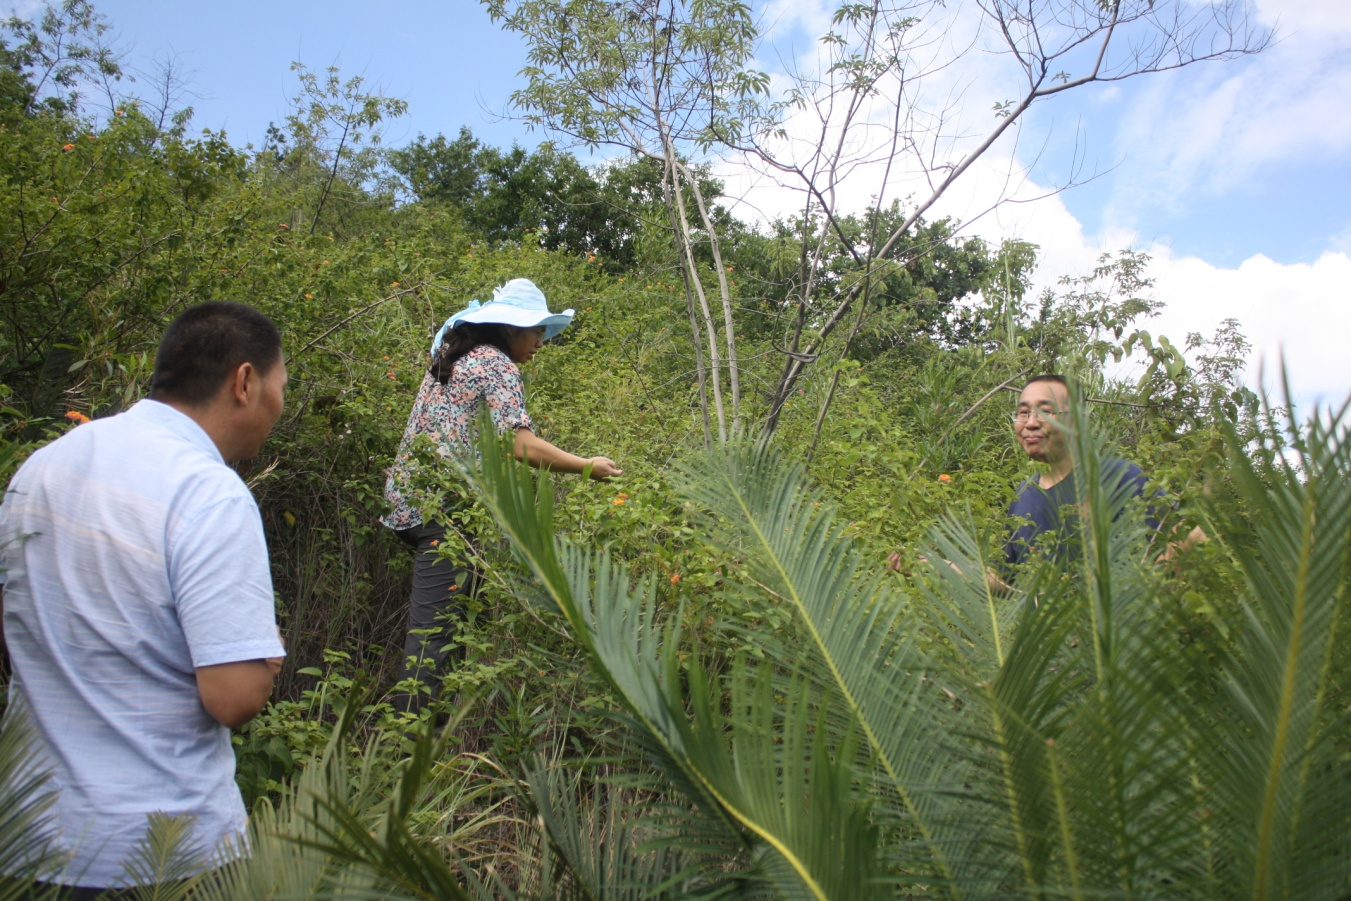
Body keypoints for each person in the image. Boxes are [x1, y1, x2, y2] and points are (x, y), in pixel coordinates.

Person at [0, 302, 288, 895]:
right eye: (281, 386)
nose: (280, 406)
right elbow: (233, 698)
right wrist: (267, 656)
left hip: (27, 834)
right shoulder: (208, 493)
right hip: (159, 854)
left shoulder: (44, 465)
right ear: (245, 382)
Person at [382, 278, 621, 713]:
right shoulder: (497, 365)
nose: (541, 342)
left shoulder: (457, 355)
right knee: (433, 643)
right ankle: (411, 750)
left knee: (450, 628)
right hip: (443, 513)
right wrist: (587, 465)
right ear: (511, 328)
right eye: (536, 331)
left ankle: (431, 740)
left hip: (408, 503)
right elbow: (520, 444)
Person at [890, 374, 1203, 589]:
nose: (1031, 423)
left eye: (1046, 412)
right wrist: (941, 567)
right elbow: (1009, 582)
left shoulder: (1117, 477)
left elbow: (1193, 537)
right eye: (1023, 413)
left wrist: (1139, 606)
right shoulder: (1024, 495)